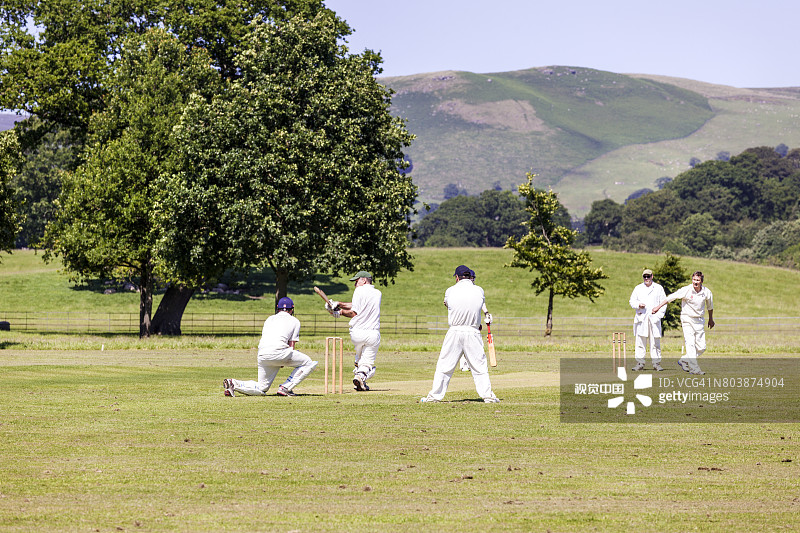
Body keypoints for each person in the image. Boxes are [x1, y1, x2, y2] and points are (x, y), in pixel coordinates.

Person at [421, 265, 499, 403]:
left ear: (457, 277)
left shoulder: (450, 290)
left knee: (444, 365)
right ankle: (488, 397)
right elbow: (476, 307)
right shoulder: (479, 290)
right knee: (479, 366)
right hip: (473, 331)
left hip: (455, 331)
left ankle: (434, 397)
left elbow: (446, 304)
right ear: (470, 277)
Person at [223, 297, 318, 397]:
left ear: (278, 308)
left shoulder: (269, 319)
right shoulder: (295, 321)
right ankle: (285, 388)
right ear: (292, 309)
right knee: (308, 363)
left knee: (262, 387)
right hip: (280, 353)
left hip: (263, 354)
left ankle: (233, 383)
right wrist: (283, 360)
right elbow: (292, 345)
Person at [651, 271, 714, 375]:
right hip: (687, 319)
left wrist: (711, 319)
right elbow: (671, 297)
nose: (695, 282)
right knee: (690, 344)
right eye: (694, 280)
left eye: (697, 280)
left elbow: (710, 307)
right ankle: (695, 369)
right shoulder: (686, 290)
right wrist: (658, 307)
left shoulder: (707, 292)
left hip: (699, 321)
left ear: (701, 281)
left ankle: (684, 360)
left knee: (702, 347)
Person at [331, 271, 382, 391]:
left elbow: (354, 311)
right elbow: (356, 305)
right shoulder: (377, 293)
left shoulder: (359, 291)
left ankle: (359, 380)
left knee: (359, 359)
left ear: (364, 280)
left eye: (356, 281)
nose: (355, 284)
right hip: (372, 333)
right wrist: (338, 304)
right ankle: (360, 376)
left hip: (357, 333)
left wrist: (340, 312)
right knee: (367, 362)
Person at [629, 268, 667, 371]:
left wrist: (658, 316)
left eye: (648, 276)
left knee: (655, 343)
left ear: (652, 276)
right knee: (640, 342)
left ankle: (656, 364)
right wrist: (638, 305)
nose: (646, 278)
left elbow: (663, 303)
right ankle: (640, 363)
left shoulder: (658, 288)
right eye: (645, 277)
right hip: (642, 319)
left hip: (654, 320)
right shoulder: (638, 288)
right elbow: (632, 301)